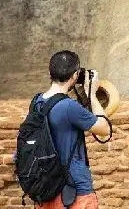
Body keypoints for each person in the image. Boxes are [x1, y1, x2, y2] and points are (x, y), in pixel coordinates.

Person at [33, 50, 111, 209]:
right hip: (75, 191)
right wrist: (92, 94)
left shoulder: (37, 102)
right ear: (75, 75)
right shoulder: (69, 107)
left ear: (50, 72)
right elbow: (104, 129)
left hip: (46, 188)